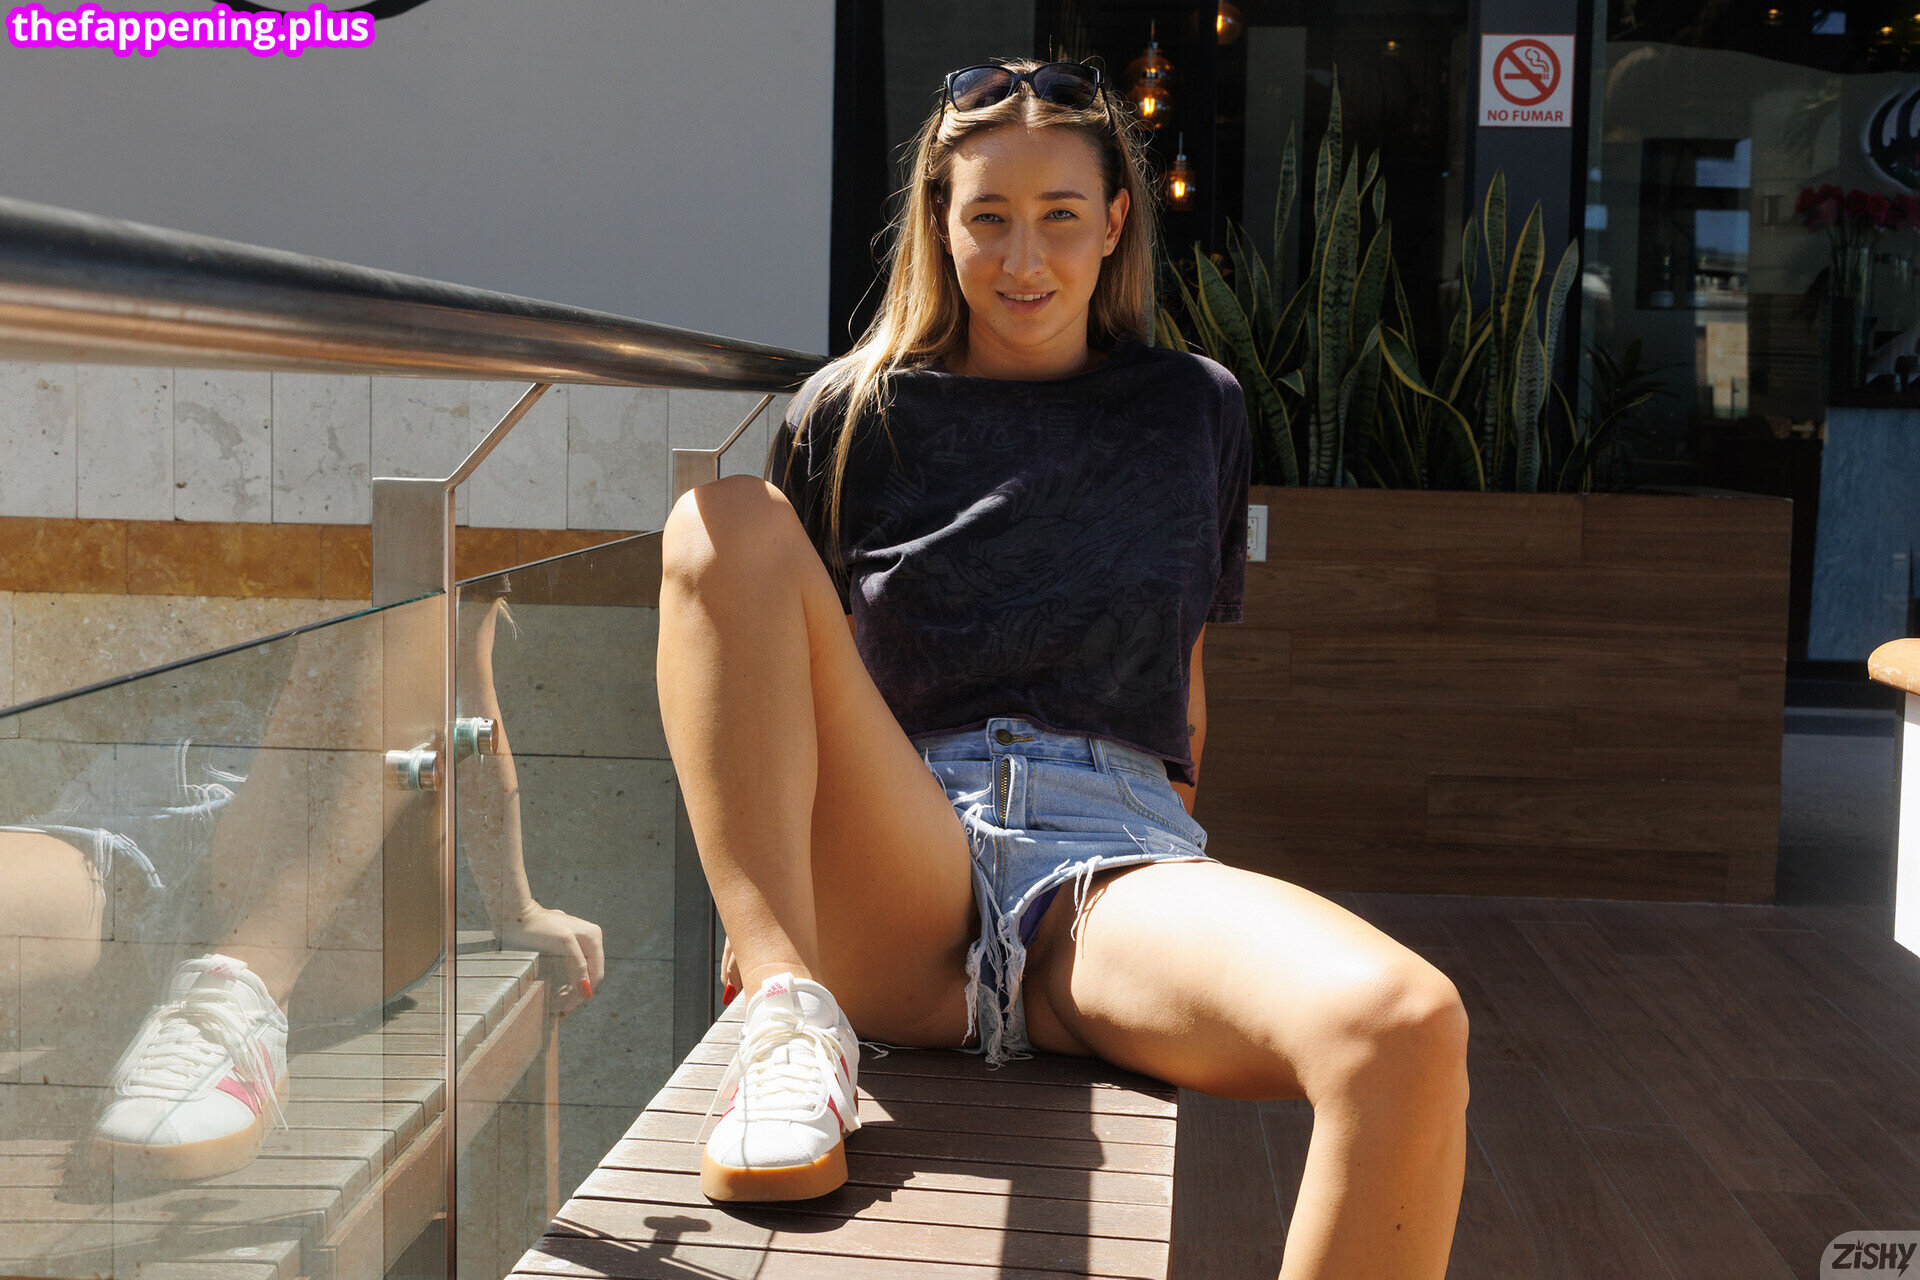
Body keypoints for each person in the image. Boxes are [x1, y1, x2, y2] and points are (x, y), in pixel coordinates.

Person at [656, 55, 1469, 1278]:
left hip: (1107, 871)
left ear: (1116, 222)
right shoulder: (848, 413)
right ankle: (787, 1012)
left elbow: (1183, 680)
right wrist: (768, 922)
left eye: (1060, 216)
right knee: (721, 522)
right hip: (900, 855)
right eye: (988, 217)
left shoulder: (1195, 408)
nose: (1022, 259)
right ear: (940, 220)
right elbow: (778, 676)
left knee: (1407, 1025)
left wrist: (1165, 854)